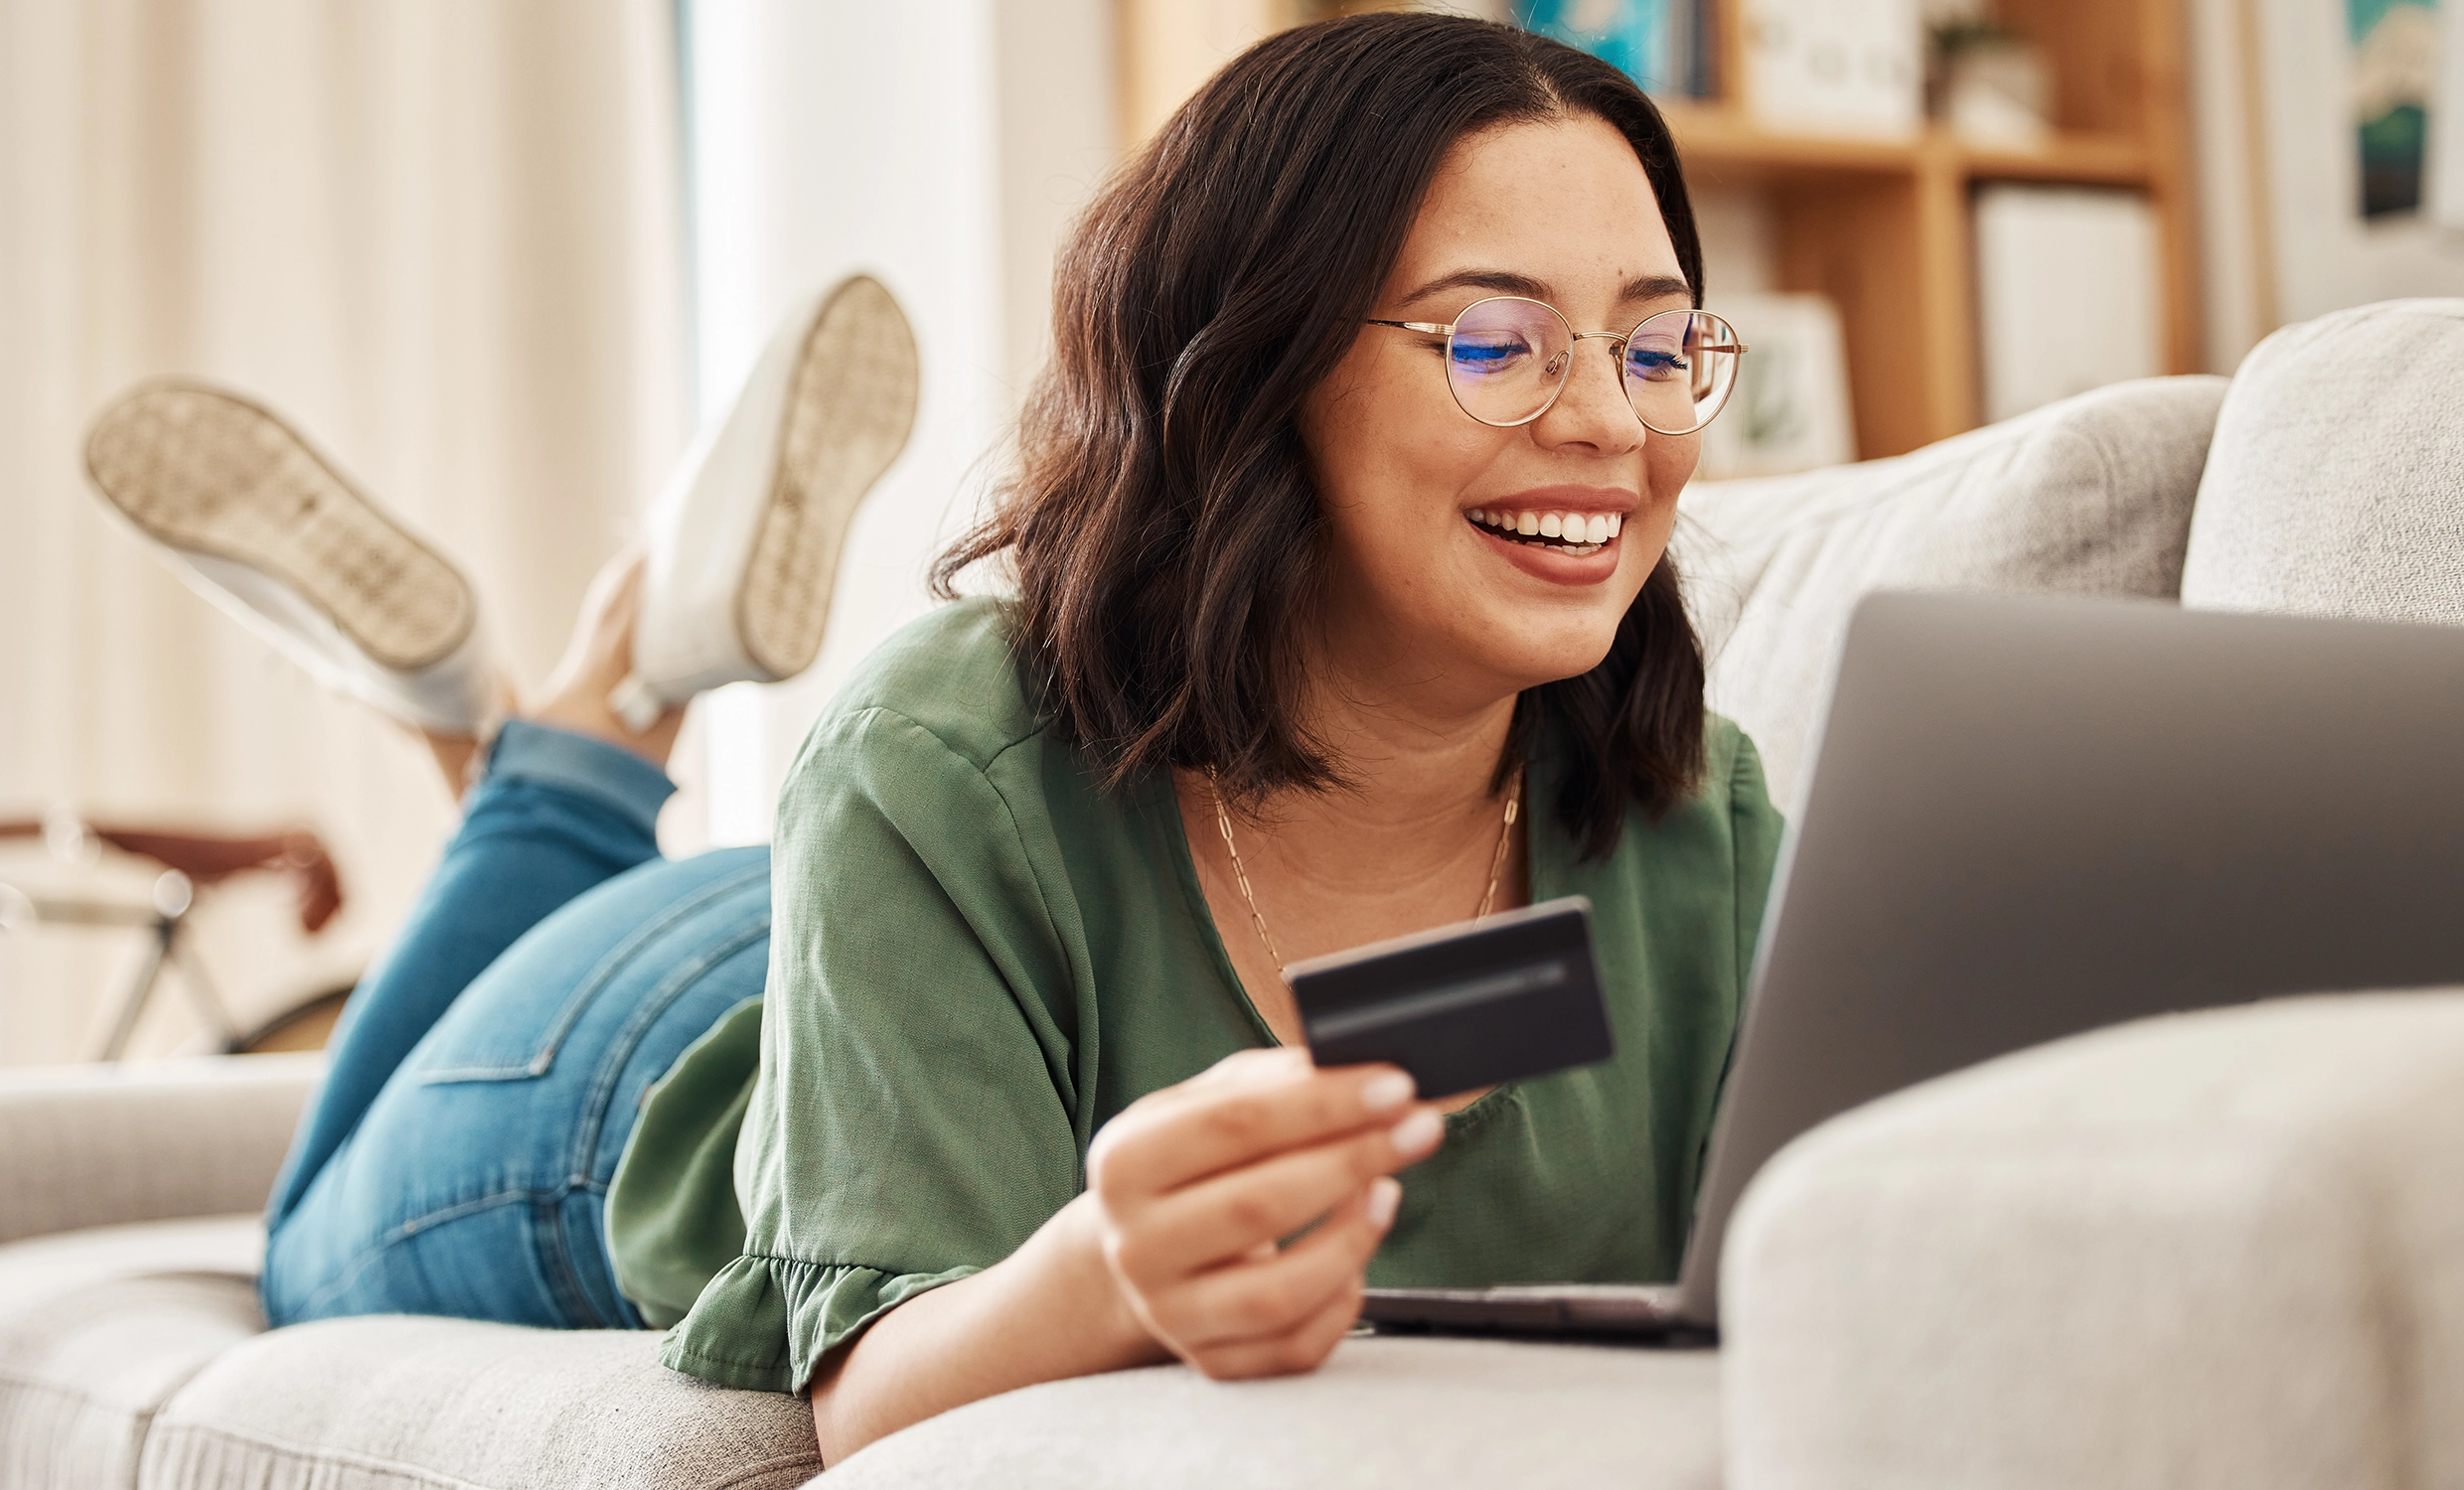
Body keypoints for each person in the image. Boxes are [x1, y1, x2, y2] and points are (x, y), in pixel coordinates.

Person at [84, 12, 1777, 1466]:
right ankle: (568, 746)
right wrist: (1109, 1276)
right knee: (302, 1243)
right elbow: (870, 1412)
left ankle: (546, 708)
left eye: (1651, 344)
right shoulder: (940, 754)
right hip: (628, 1058)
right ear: (1248, 371)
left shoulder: (1704, 823)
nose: (1606, 424)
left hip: (917, 939)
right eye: (1494, 341)